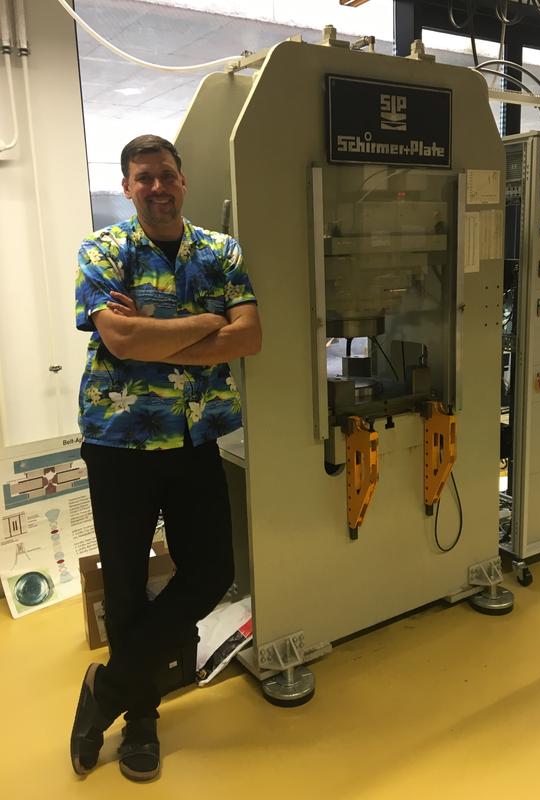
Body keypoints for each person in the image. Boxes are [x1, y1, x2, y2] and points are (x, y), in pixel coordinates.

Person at [70, 134, 261, 782]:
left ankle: (108, 688)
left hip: (194, 437)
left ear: (183, 181)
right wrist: (208, 324)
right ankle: (140, 722)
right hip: (118, 444)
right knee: (124, 583)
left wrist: (151, 340)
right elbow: (118, 338)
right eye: (143, 177)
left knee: (211, 571)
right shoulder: (102, 252)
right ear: (127, 187)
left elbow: (253, 336)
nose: (157, 187)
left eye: (167, 175)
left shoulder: (219, 251)